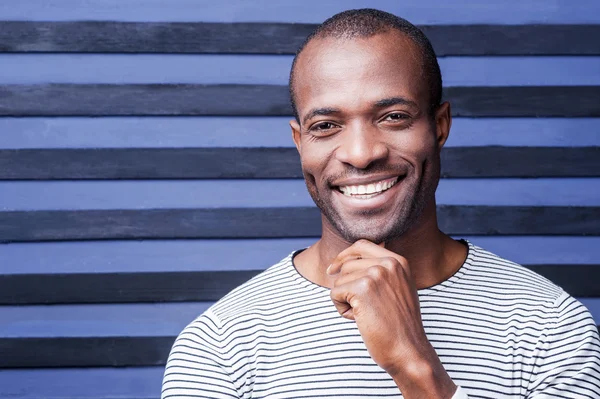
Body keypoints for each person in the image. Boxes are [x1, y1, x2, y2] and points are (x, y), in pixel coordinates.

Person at [161, 8, 600, 399]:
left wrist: (415, 368)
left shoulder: (551, 330)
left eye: (393, 117)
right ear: (300, 143)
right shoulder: (220, 347)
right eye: (327, 125)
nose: (361, 152)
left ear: (440, 125)